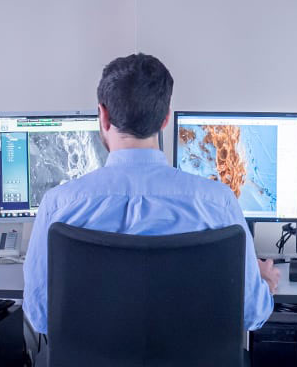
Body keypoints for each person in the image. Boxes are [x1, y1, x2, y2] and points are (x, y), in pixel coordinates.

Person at [23, 53, 280, 336]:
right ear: (166, 118)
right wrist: (264, 283)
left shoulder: (58, 205)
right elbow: (251, 315)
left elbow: (41, 317)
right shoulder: (218, 203)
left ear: (103, 115)